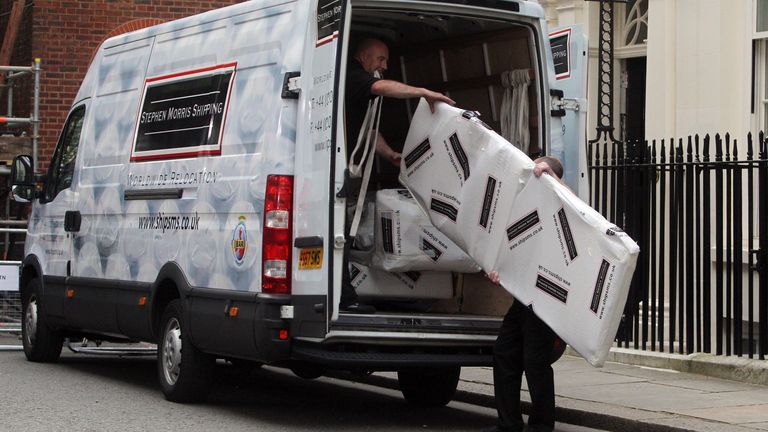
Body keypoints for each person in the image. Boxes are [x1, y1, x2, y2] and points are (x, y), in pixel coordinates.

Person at [340, 38, 455, 313]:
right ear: (363, 57)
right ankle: (344, 297)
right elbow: (382, 87)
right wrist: (422, 92)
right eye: (381, 59)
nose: (385, 66)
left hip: (349, 171)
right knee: (341, 235)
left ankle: (346, 295)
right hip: (338, 172)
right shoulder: (355, 77)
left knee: (345, 233)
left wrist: (389, 154)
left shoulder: (362, 85)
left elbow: (366, 130)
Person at [485, 156, 564, 432]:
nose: (532, 172)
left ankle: (542, 426)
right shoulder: (527, 205)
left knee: (535, 362)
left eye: (537, 168)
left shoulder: (561, 206)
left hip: (546, 298)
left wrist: (553, 179)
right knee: (504, 353)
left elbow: (579, 209)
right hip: (523, 298)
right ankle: (508, 424)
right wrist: (499, 270)